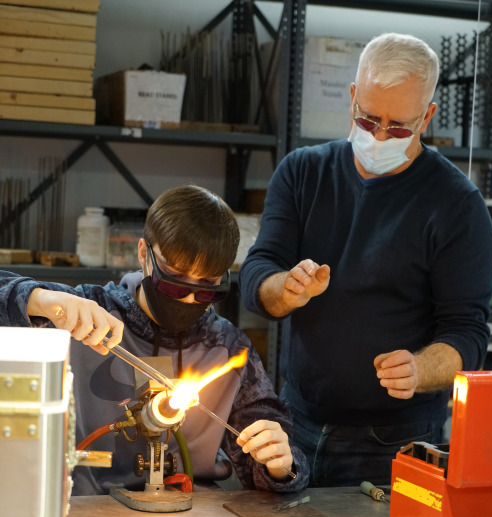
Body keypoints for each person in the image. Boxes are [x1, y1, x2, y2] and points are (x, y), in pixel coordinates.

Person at [238, 32, 492, 487]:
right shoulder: (302, 173)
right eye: (368, 118)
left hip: (394, 438)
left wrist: (420, 369)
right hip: (294, 420)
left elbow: (468, 334)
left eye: (398, 127)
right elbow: (256, 278)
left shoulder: (456, 204)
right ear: (353, 97)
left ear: (427, 117)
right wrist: (285, 288)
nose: (379, 136)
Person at [0, 185, 309, 495]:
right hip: (93, 516)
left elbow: (272, 463)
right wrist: (38, 300)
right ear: (143, 254)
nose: (189, 299)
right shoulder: (85, 316)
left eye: (206, 287)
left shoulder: (228, 347)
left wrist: (280, 467)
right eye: (174, 283)